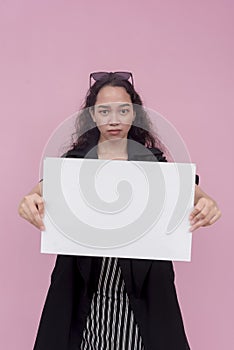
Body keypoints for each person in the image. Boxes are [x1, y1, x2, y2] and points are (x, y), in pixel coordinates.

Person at [18, 72, 221, 350]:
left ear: (134, 114)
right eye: (104, 111)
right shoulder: (75, 161)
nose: (114, 119)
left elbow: (190, 191)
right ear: (93, 115)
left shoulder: (153, 162)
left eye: (123, 110)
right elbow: (40, 190)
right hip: (83, 288)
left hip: (144, 290)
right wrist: (28, 201)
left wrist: (207, 202)